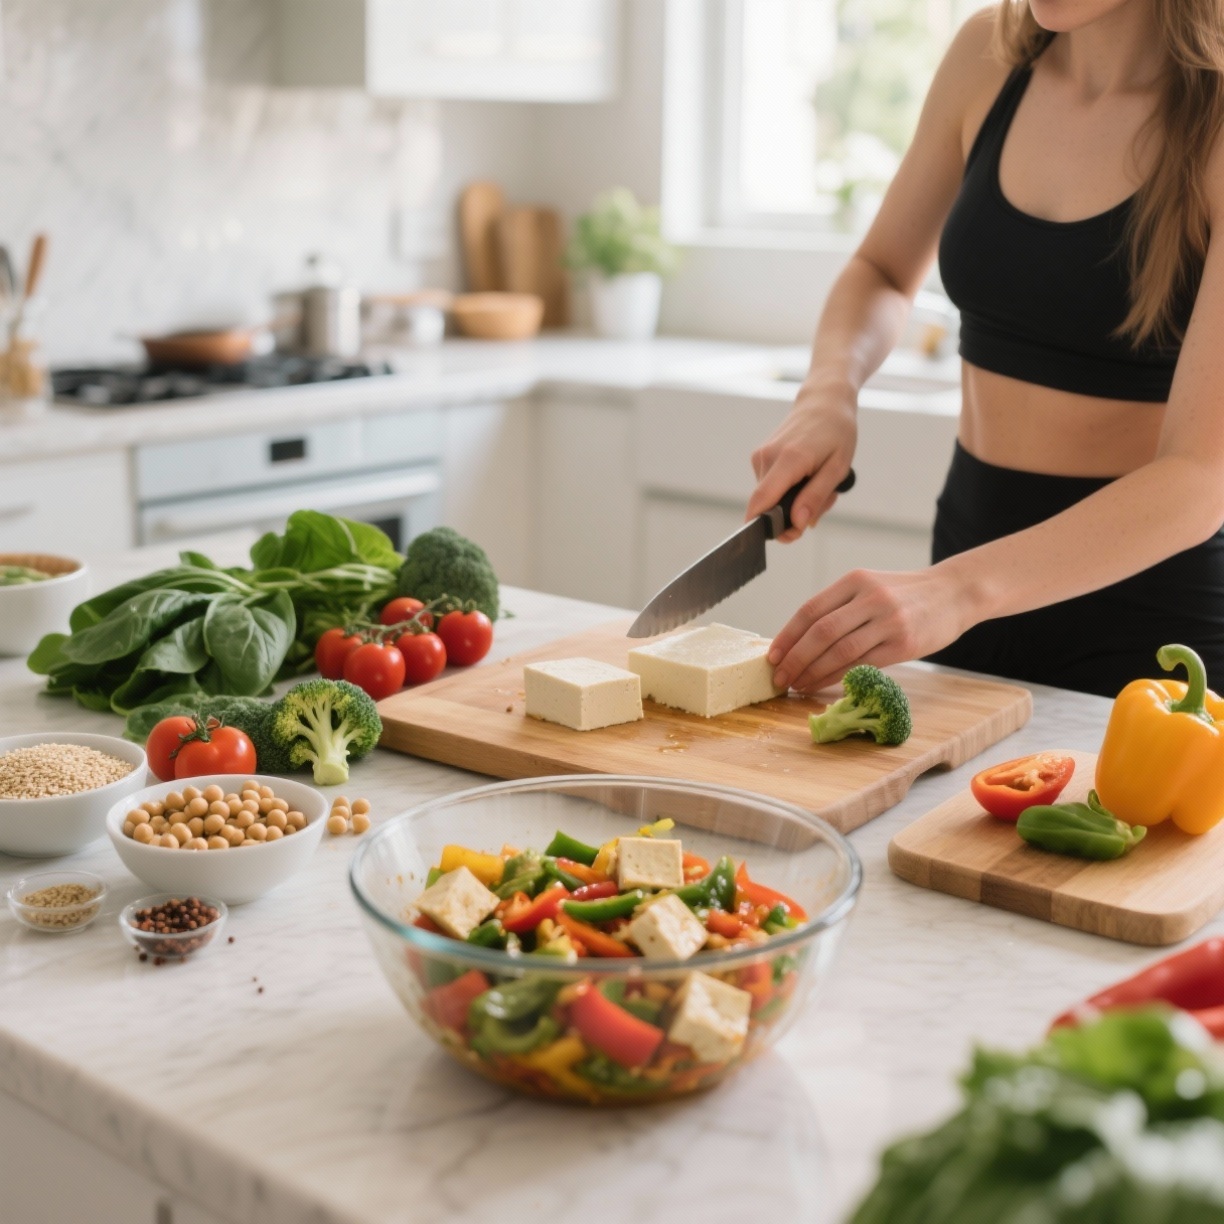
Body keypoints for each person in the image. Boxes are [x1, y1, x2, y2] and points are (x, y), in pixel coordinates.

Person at [746, 0, 1224, 700]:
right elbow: (880, 270)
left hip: (1150, 632)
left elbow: (1200, 476)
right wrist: (828, 394)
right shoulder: (986, 55)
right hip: (966, 577)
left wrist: (955, 591)